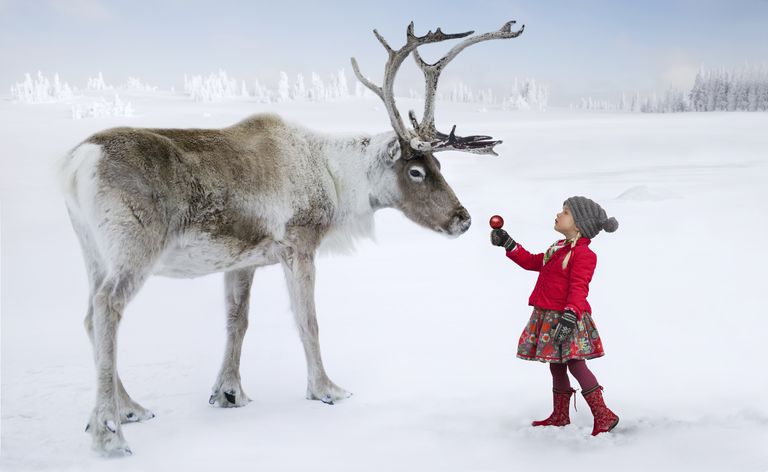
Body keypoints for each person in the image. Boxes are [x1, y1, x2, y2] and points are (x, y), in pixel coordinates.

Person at [491, 196, 620, 436]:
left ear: (579, 225)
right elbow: (532, 262)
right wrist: (509, 244)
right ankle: (560, 415)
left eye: (566, 212)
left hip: (567, 317)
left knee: (575, 364)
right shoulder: (558, 248)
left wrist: (570, 316)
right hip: (548, 316)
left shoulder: (584, 255)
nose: (559, 214)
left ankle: (604, 415)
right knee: (556, 366)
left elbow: (579, 287)